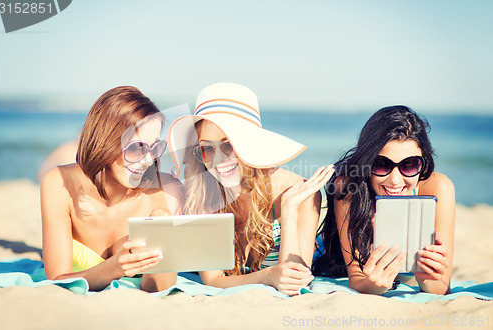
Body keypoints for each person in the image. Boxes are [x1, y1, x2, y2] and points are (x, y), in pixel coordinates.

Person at [168, 82, 335, 296]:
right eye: (207, 149)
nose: (218, 160)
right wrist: (267, 276)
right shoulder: (200, 194)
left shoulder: (297, 192)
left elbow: (295, 282)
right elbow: (212, 280)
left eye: (228, 145)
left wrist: (289, 209)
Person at [41, 86, 181, 292]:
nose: (147, 160)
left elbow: (159, 290)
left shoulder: (167, 192)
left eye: (154, 149)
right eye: (136, 148)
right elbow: (57, 280)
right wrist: (115, 267)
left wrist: (162, 233)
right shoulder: (59, 183)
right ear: (105, 142)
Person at [312, 105, 455, 295]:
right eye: (381, 164)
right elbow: (356, 277)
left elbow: (440, 287)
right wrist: (372, 286)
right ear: (366, 162)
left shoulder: (438, 188)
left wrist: (429, 280)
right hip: (334, 257)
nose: (395, 180)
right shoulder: (349, 187)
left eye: (409, 165)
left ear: (423, 161)